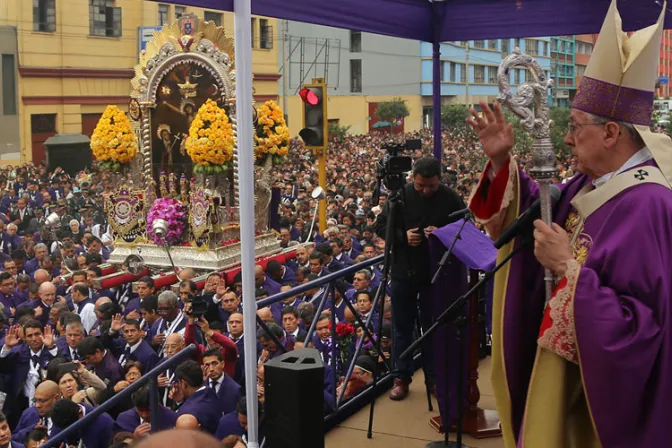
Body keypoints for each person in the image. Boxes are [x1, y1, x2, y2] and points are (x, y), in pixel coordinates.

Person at [465, 2, 672, 446]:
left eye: (576, 127)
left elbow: (646, 329)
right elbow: (542, 212)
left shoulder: (650, 204)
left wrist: (568, 271)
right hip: (561, 371)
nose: (566, 136)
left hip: (593, 399)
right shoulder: (589, 181)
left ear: (612, 133)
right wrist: (501, 160)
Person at [375, 156, 464, 400]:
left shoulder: (449, 197)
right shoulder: (399, 196)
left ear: (440, 180)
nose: (425, 191)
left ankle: (433, 379)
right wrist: (403, 236)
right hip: (404, 271)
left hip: (434, 273)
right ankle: (401, 377)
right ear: (412, 178)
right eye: (420, 185)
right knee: (402, 328)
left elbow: (465, 226)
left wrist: (442, 233)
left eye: (431, 186)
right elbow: (380, 226)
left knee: (432, 327)